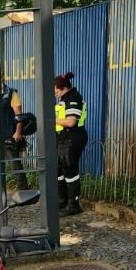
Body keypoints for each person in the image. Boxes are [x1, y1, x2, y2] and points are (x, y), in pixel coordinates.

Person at [54, 72, 88, 216]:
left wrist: (50, 119)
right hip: (63, 138)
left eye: (55, 89)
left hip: (73, 138)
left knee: (70, 171)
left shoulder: (73, 98)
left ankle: (73, 205)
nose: (54, 92)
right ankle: (63, 201)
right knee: (58, 170)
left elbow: (71, 121)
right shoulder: (64, 98)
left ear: (63, 88)